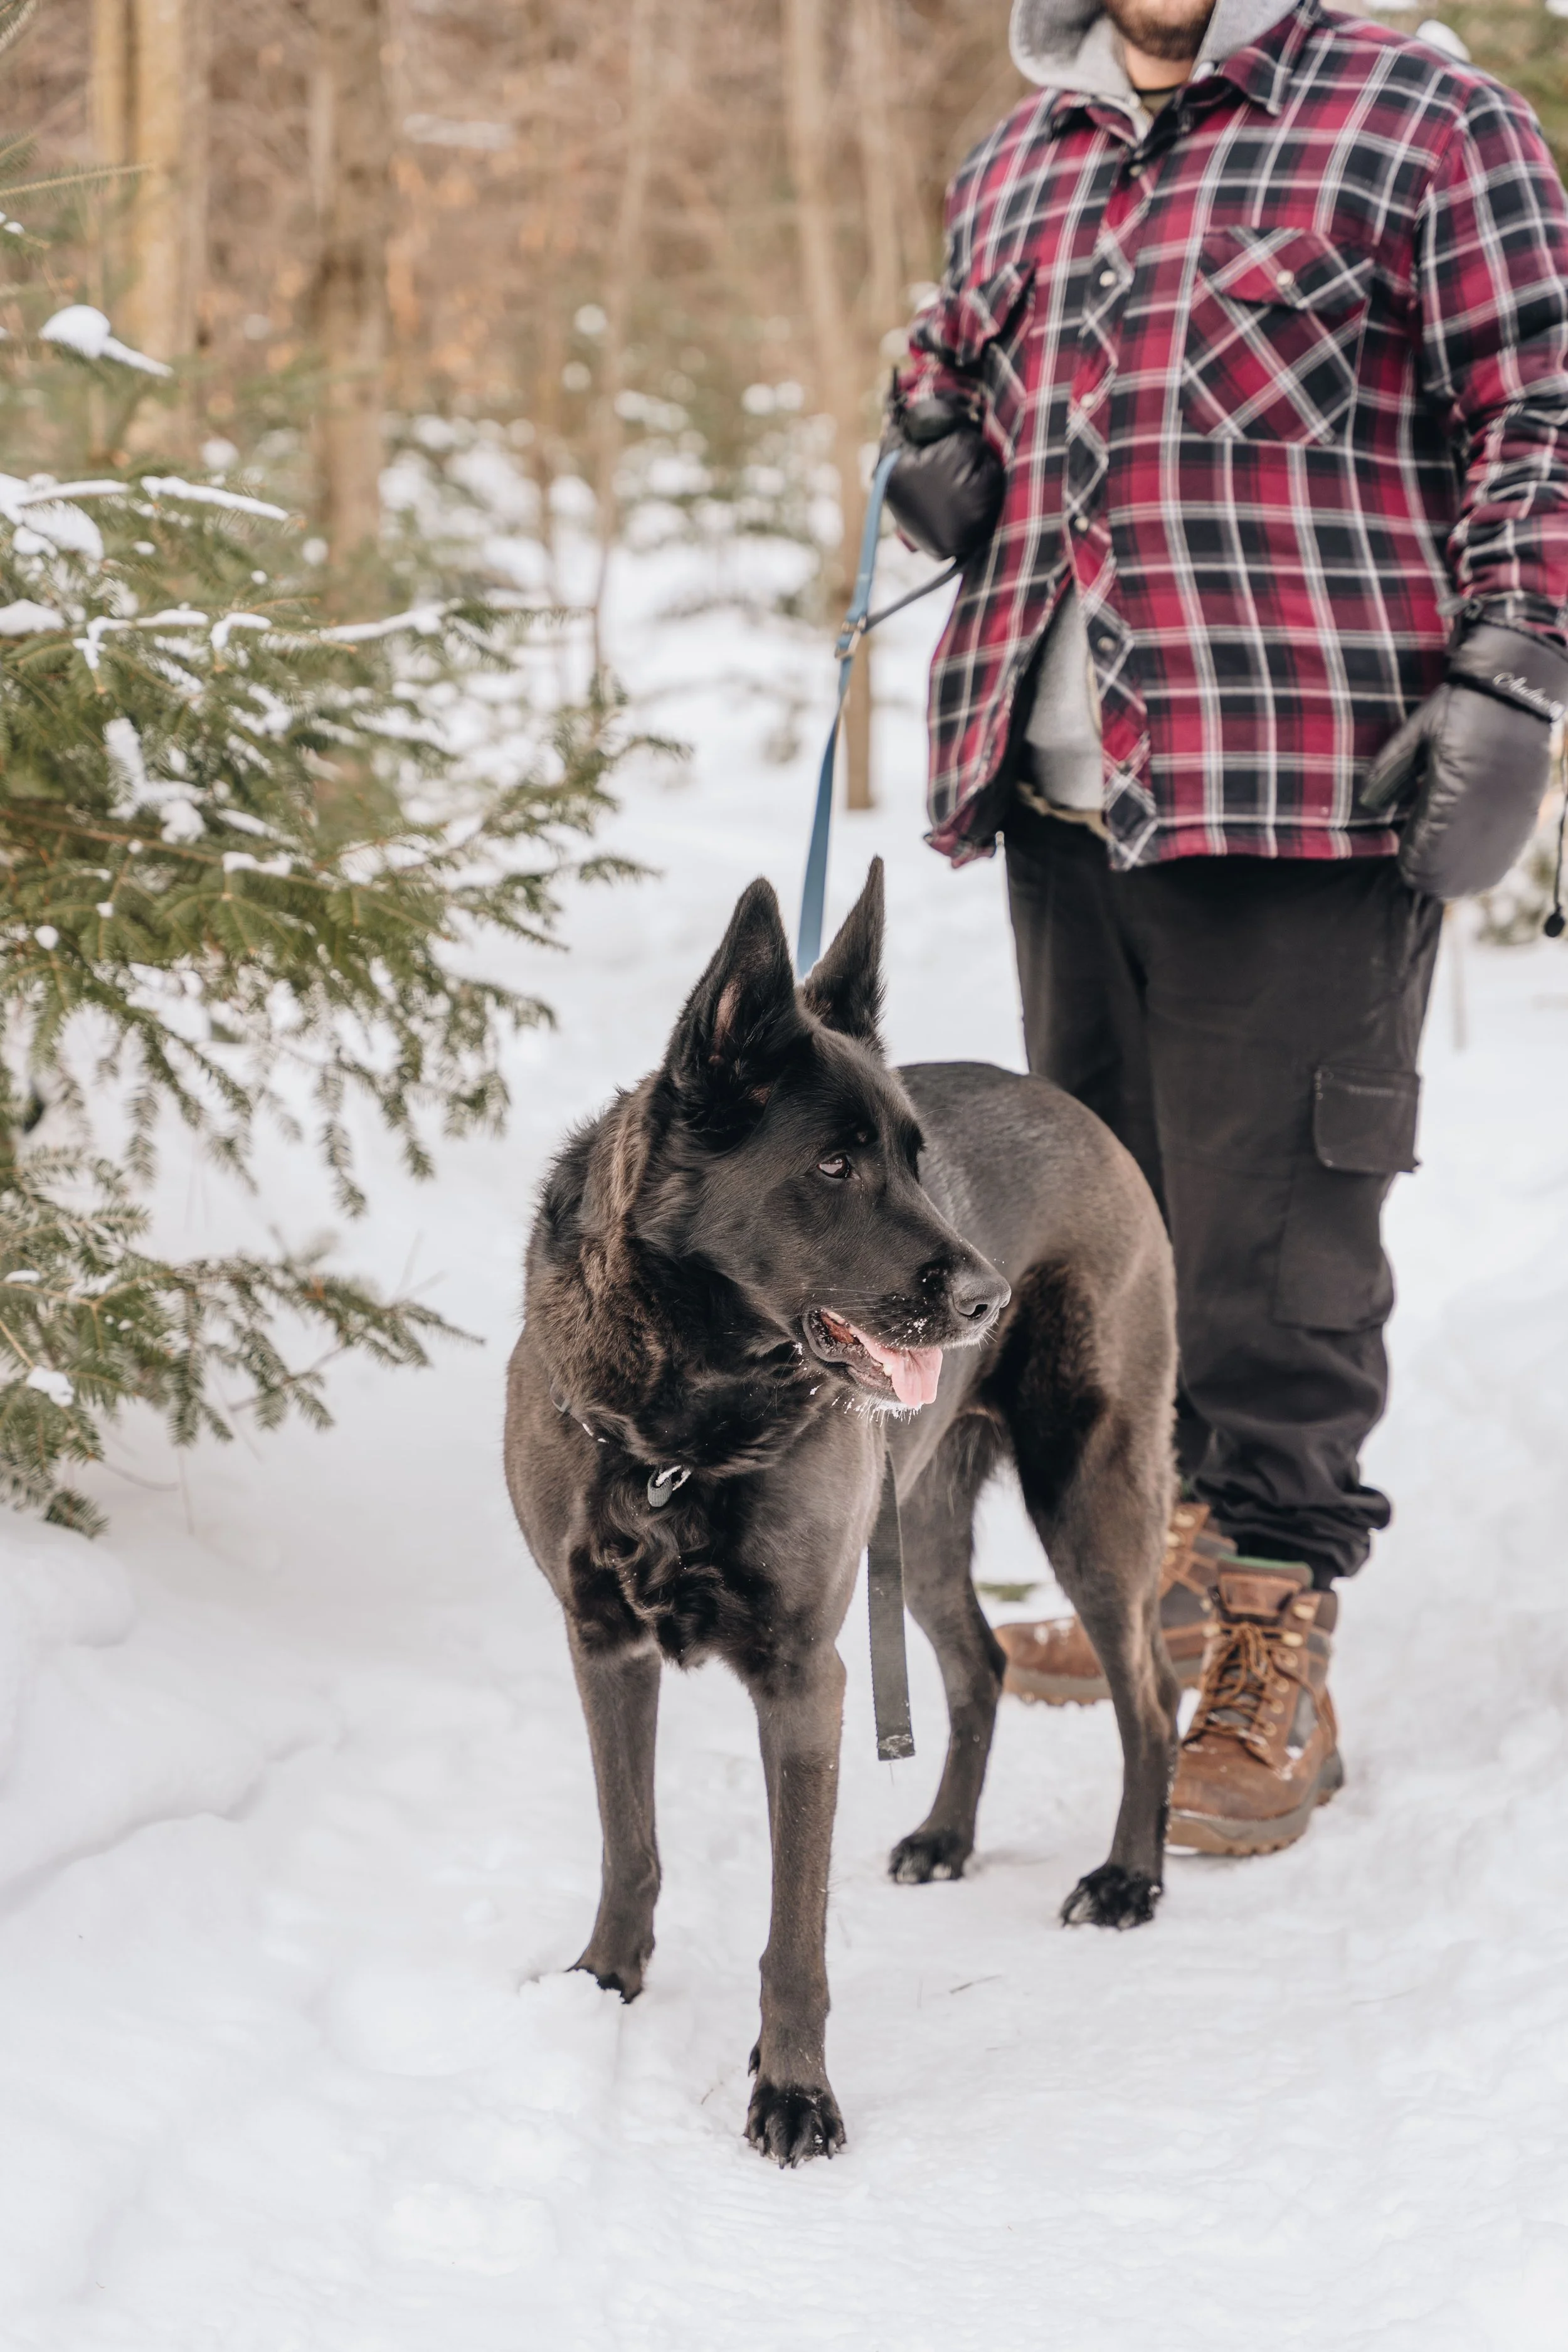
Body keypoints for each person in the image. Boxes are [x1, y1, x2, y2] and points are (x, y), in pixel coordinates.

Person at [889, 0, 1568, 1857]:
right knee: (1112, 1231)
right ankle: (1158, 1565)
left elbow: (1541, 402)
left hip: (1297, 779)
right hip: (1052, 789)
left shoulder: (1423, 116)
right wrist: (928, 437)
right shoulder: (1020, 156)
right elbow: (942, 362)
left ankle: (1271, 1613)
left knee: (1276, 1230)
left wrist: (1512, 660)